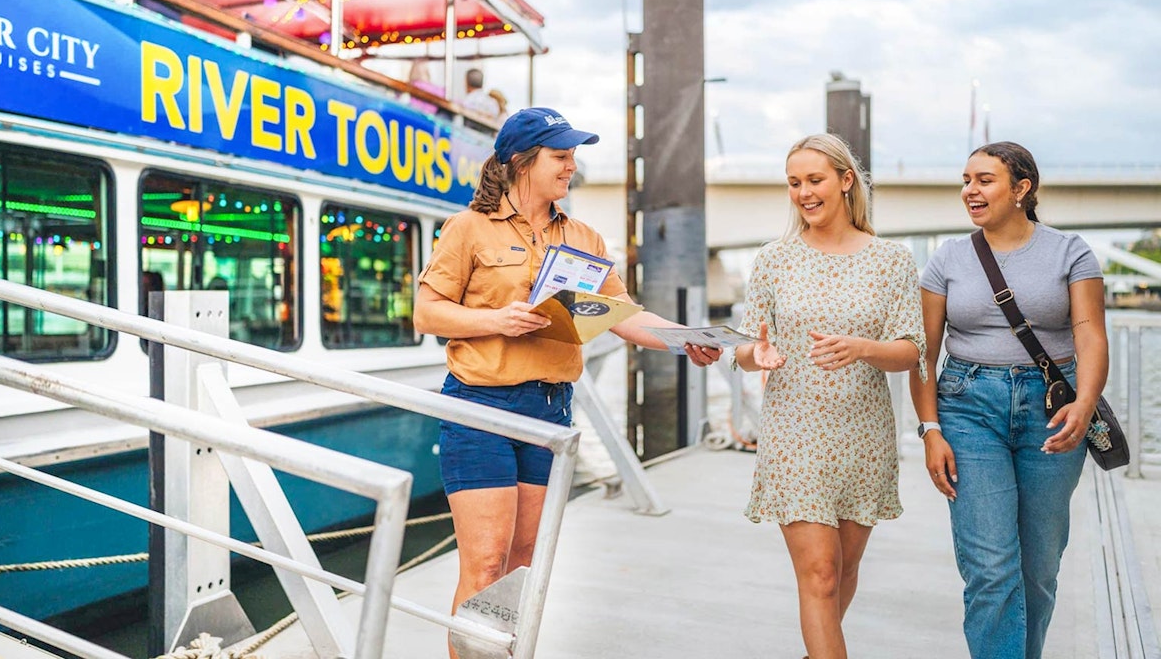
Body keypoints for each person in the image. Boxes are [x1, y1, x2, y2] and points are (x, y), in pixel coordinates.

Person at [413, 106, 721, 657]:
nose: (571, 166)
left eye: (572, 156)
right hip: (480, 408)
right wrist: (496, 320)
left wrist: (685, 338)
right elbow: (427, 312)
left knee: (521, 565)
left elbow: (623, 313)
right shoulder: (468, 229)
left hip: (549, 411)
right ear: (520, 163)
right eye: (560, 156)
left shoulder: (582, 236)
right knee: (485, 563)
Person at [908, 142, 1107, 659]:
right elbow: (923, 354)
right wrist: (930, 430)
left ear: (1022, 189)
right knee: (991, 569)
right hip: (968, 409)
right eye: (966, 180)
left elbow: (1090, 336)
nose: (969, 190)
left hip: (1053, 410)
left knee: (1039, 570)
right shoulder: (948, 258)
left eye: (984, 180)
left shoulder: (1070, 252)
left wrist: (1085, 403)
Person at [731, 132, 925, 659]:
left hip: (863, 436)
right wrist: (757, 356)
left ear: (845, 181)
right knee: (818, 574)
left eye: (814, 180)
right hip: (795, 432)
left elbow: (911, 350)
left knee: (842, 570)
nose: (803, 193)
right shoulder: (774, 259)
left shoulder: (892, 260)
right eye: (794, 183)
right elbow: (747, 347)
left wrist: (864, 348)